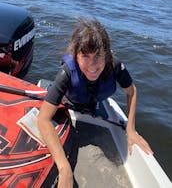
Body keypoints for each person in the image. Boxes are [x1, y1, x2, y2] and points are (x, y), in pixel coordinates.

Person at [37, 19, 153, 188]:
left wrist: (131, 129)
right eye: (85, 56)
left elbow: (132, 91)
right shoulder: (67, 73)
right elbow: (42, 119)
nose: (93, 65)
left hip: (94, 105)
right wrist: (64, 169)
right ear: (76, 56)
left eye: (98, 55)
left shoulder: (115, 66)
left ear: (106, 54)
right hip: (68, 104)